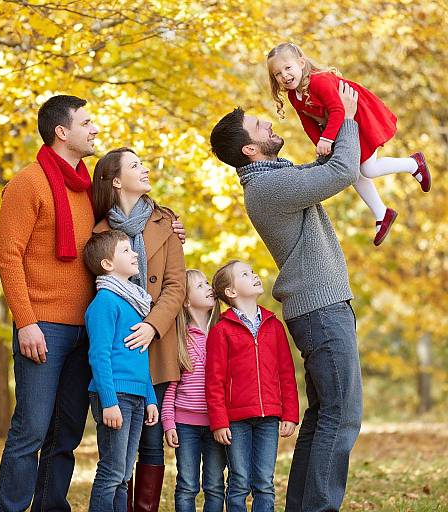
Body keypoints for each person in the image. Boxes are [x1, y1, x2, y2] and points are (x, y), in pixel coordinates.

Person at [209, 84, 362, 511]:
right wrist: (345, 116)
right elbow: (341, 172)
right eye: (259, 125)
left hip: (321, 307)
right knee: (342, 415)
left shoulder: (278, 178)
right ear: (250, 151)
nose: (269, 123)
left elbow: (325, 165)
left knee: (323, 415)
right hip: (320, 309)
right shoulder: (268, 188)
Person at [0, 95, 99, 511]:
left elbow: (121, 230)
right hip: (43, 327)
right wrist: (27, 322)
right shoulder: (28, 183)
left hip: (85, 327)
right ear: (62, 131)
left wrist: (170, 225)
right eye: (86, 122)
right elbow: (8, 257)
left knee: (66, 433)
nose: (94, 129)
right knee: (32, 430)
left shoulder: (88, 187)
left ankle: (50, 506)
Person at [92, 147, 186, 512]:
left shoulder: (166, 221)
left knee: (149, 439)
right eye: (135, 165)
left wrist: (151, 325)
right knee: (119, 449)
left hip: (157, 341)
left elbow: (176, 285)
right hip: (120, 347)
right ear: (116, 181)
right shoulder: (99, 231)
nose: (144, 169)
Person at [267, 42, 431, 246]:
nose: (284, 75)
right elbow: (307, 122)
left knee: (368, 169)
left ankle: (414, 164)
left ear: (301, 63)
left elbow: (338, 110)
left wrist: (327, 138)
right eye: (277, 74)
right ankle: (381, 213)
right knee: (350, 170)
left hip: (358, 116)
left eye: (288, 68)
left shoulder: (318, 82)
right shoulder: (294, 95)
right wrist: (320, 145)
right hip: (339, 126)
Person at [205, 260, 299, 512]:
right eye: (245, 274)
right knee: (239, 481)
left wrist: (289, 413)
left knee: (264, 483)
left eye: (252, 272)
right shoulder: (221, 331)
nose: (254, 275)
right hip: (236, 421)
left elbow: (286, 373)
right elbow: (214, 381)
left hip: (269, 417)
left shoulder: (274, 325)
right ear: (231, 292)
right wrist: (219, 421)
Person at [83, 229, 159, 512]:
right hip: (115, 396)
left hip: (136, 396)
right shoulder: (104, 302)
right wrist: (109, 402)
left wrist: (150, 397)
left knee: (125, 475)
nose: (135, 253)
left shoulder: (134, 302)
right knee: (112, 471)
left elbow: (140, 357)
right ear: (107, 264)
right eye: (126, 251)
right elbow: (98, 356)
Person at [161, 269, 226, 512]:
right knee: (187, 484)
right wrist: (169, 423)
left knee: (215, 484)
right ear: (186, 301)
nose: (209, 287)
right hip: (185, 423)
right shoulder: (181, 340)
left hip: (216, 424)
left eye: (208, 283)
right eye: (200, 286)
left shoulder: (223, 333)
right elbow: (171, 387)